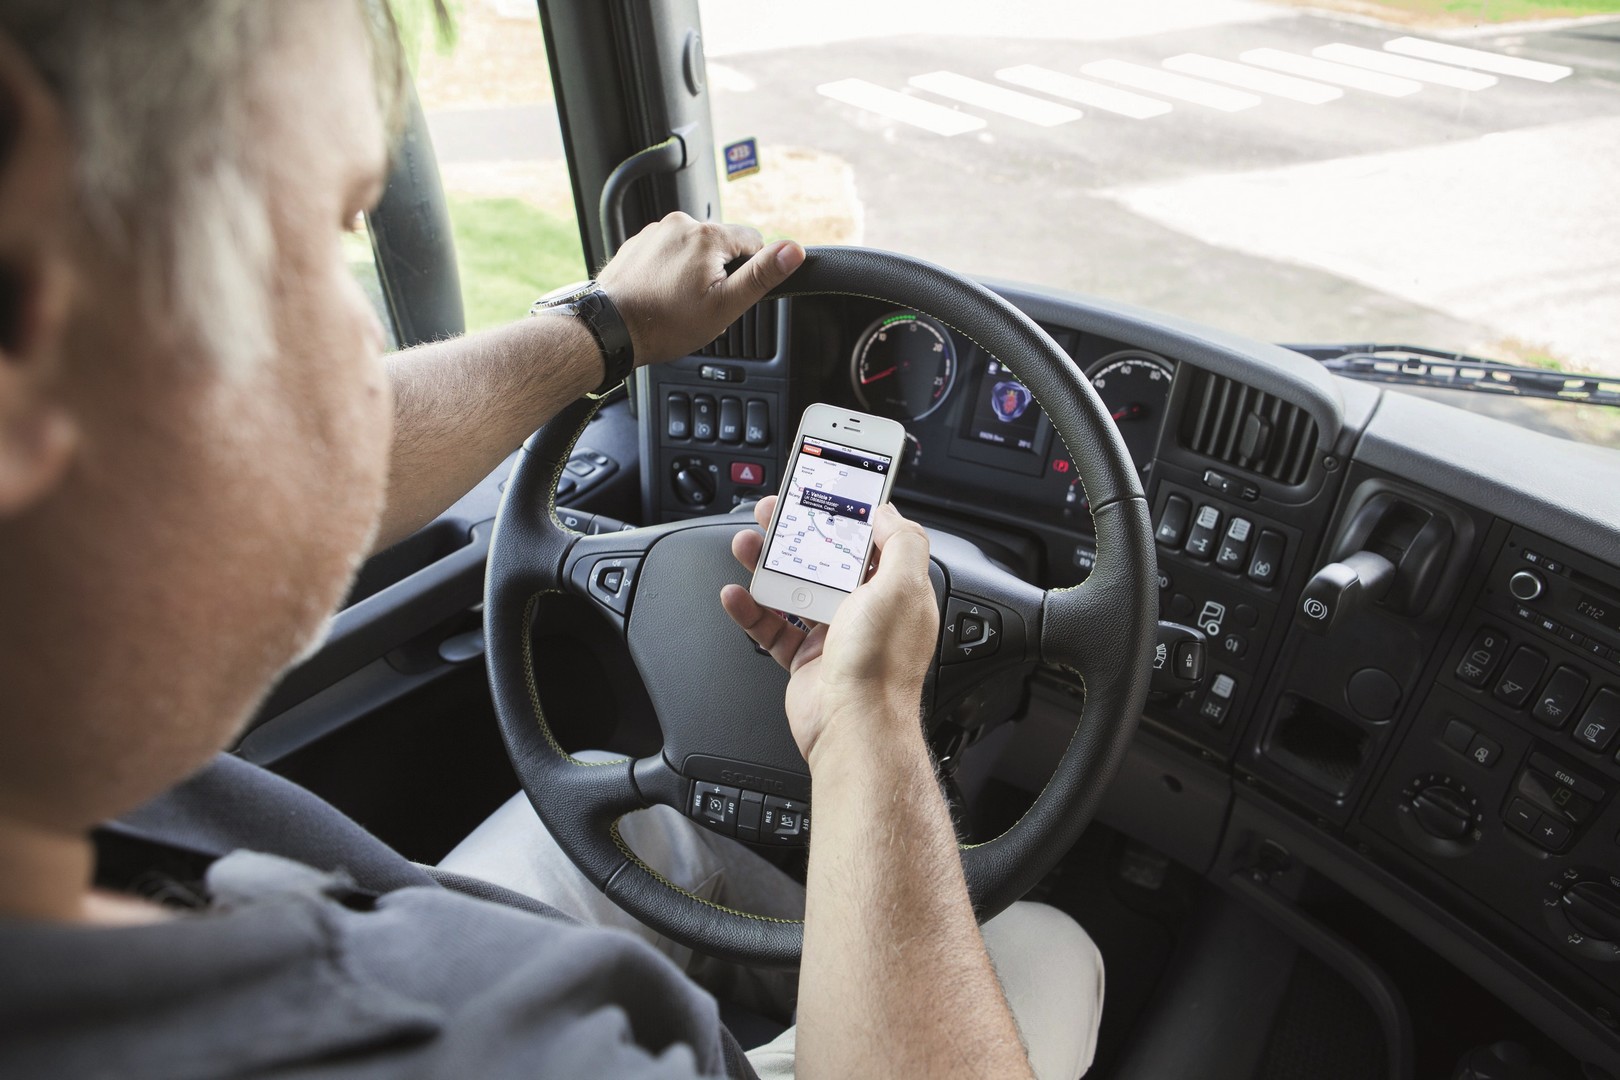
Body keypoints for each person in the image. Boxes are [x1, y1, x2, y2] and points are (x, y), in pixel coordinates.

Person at [0, 3, 1102, 1077]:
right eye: (327, 235)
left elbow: (281, 455)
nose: (366, 344)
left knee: (661, 845)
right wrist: (865, 716)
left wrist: (601, 331)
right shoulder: (488, 1040)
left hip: (379, 916)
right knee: (1046, 949)